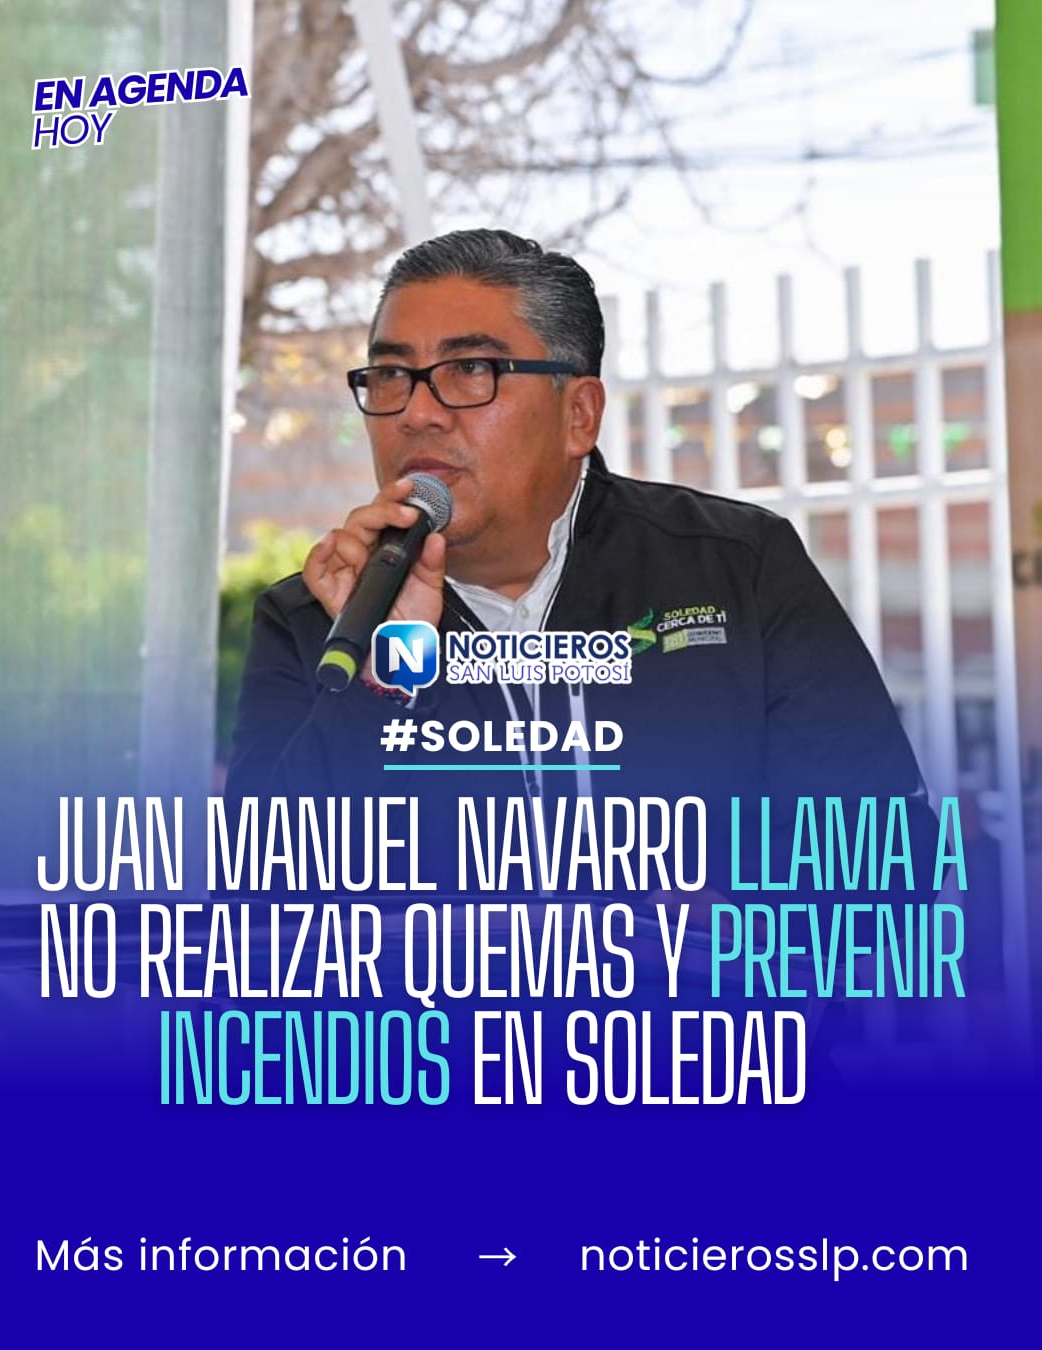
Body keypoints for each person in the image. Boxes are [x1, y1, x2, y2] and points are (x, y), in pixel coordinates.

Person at [226, 228, 937, 901]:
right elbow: (263, 899)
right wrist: (385, 682)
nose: (416, 413)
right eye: (391, 375)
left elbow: (891, 861)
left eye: (470, 370)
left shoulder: (735, 568)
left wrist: (729, 921)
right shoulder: (319, 619)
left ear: (579, 416)